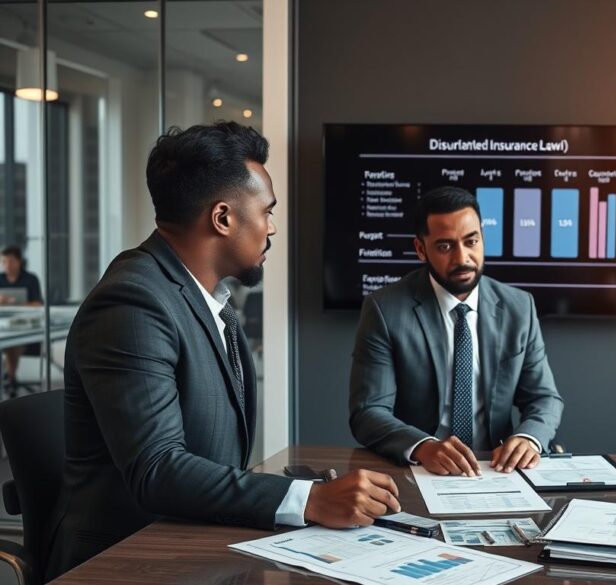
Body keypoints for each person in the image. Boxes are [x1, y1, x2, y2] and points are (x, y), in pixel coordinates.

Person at [47, 123, 401, 579]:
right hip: (128, 559)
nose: (272, 227)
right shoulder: (133, 302)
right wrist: (309, 500)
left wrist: (304, 491)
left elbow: (209, 460)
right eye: (266, 211)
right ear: (223, 218)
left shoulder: (202, 298)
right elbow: (157, 470)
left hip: (195, 540)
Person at [349, 186, 564, 476]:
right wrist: (423, 446)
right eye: (445, 246)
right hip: (422, 469)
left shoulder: (519, 307)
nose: (462, 257)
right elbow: (368, 412)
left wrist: (528, 438)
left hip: (498, 469)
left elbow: (543, 398)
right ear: (420, 249)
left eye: (471, 241)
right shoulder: (384, 310)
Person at [0, 246, 45, 390]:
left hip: (26, 325)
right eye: (4, 261)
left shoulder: (31, 279)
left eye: (11, 261)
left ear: (19, 261)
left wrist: (14, 302)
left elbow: (38, 304)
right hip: (2, 323)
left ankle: (10, 377)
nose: (7, 265)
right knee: (9, 341)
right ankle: (10, 377)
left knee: (12, 342)